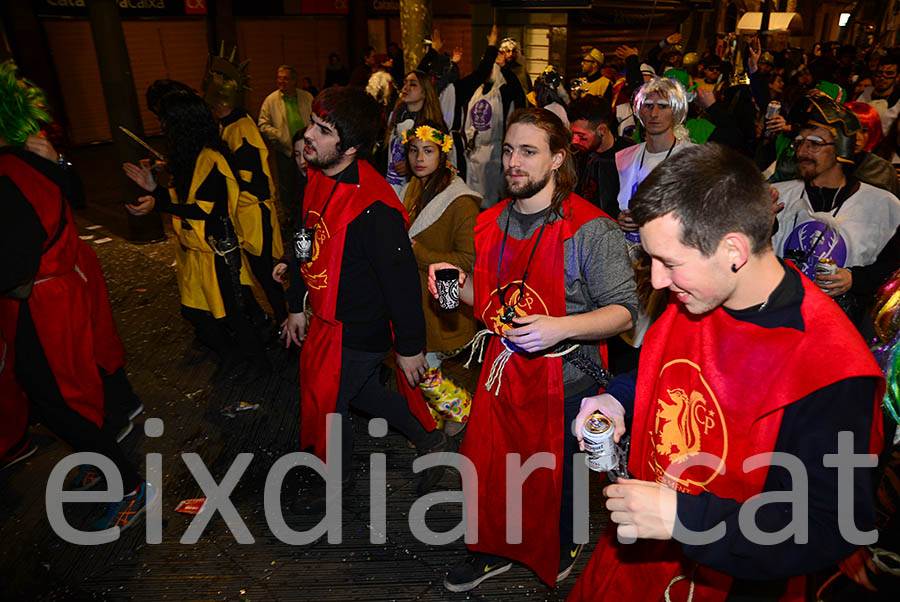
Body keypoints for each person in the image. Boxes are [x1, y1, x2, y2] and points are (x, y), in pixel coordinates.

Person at [568, 143, 885, 601]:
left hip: (732, 578)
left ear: (733, 248)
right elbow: (665, 367)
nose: (656, 281)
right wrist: (617, 398)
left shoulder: (829, 366)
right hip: (641, 551)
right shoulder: (698, 293)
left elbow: (826, 526)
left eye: (670, 262)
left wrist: (683, 518)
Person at [427, 107, 637, 592]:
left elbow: (625, 311)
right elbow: (496, 302)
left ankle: (562, 541)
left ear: (557, 159)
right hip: (502, 375)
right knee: (493, 467)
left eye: (528, 152)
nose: (513, 162)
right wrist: (458, 288)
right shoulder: (488, 223)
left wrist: (560, 327)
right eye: (507, 151)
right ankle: (490, 548)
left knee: (555, 477)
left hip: (566, 381)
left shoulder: (591, 229)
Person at [279, 87, 450, 510]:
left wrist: (410, 349)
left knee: (334, 402)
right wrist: (296, 301)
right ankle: (428, 436)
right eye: (313, 123)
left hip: (360, 331)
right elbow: (304, 236)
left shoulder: (375, 209)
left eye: (322, 129)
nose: (309, 137)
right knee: (358, 395)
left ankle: (334, 483)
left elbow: (402, 283)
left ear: (351, 148)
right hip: (326, 320)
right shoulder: (318, 175)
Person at [0, 61, 152, 529]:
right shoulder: (30, 158)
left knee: (57, 402)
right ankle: (108, 449)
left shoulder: (8, 174)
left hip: (41, 303)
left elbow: (13, 264)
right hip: (58, 290)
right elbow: (74, 193)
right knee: (71, 390)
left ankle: (127, 484)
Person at [124, 92, 270, 380]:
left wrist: (158, 201)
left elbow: (202, 210)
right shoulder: (194, 156)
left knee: (233, 313)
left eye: (167, 123)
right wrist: (156, 189)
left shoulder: (211, 158)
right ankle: (236, 354)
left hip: (218, 250)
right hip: (197, 249)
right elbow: (188, 201)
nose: (164, 129)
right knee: (198, 311)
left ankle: (258, 363)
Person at [772, 94, 900, 329]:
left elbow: (893, 270)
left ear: (841, 146)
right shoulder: (776, 196)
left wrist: (855, 279)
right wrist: (760, 224)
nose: (803, 151)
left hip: (842, 332)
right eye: (799, 142)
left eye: (815, 143)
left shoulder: (882, 205)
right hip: (781, 325)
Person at [398, 121, 480, 436]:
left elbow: (468, 260)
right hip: (415, 296)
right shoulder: (417, 185)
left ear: (443, 153)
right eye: (414, 150)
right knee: (421, 363)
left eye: (428, 151)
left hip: (439, 299)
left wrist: (419, 253)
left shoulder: (461, 201)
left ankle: (459, 408)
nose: (419, 158)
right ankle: (434, 416)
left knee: (422, 365)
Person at [203, 46, 287, 329]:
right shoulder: (227, 126)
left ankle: (286, 319)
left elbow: (254, 179)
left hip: (254, 213)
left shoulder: (241, 127)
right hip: (243, 213)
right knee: (255, 272)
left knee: (266, 272)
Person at [615, 77, 694, 246]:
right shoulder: (624, 157)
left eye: (663, 106)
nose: (654, 114)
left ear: (676, 111)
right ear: (639, 110)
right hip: (630, 251)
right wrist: (620, 218)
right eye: (648, 105)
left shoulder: (692, 158)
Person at [258, 65, 313, 226]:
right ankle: (289, 214)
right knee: (286, 183)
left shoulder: (306, 97)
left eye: (285, 78)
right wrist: (278, 136)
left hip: (307, 148)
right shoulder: (271, 100)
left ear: (294, 81)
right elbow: (262, 124)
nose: (281, 81)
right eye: (279, 77)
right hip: (285, 149)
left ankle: (308, 210)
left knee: (307, 182)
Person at [568, 95, 635, 218]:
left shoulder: (630, 153)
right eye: (573, 134)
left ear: (602, 130)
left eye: (582, 136)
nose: (575, 141)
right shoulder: (576, 154)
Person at [382, 70, 446, 196]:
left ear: (424, 92)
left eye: (413, 84)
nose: (406, 87)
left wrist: (411, 166)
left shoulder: (432, 125)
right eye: (405, 83)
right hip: (391, 187)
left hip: (415, 191)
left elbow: (444, 163)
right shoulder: (396, 116)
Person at [858, 54, 900, 137]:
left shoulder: (898, 103)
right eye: (880, 72)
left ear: (897, 77)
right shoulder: (863, 94)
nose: (882, 78)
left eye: (889, 73)